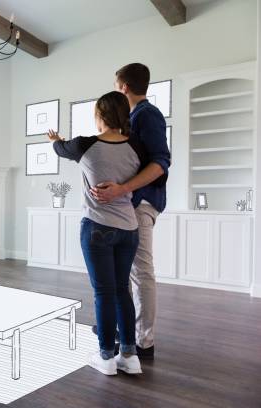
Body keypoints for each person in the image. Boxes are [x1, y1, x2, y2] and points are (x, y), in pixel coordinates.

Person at [49, 91, 145, 376]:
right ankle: (129, 355)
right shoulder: (138, 147)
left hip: (98, 227)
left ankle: (105, 357)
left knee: (103, 293)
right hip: (129, 228)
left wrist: (55, 140)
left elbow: (59, 148)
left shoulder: (84, 145)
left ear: (100, 115)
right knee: (122, 292)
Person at [91, 63, 171, 360]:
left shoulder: (146, 115)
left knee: (140, 273)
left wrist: (123, 190)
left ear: (123, 87)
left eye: (116, 85)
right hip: (128, 206)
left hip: (139, 204)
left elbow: (161, 162)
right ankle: (118, 332)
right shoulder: (132, 118)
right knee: (122, 275)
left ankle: (143, 342)